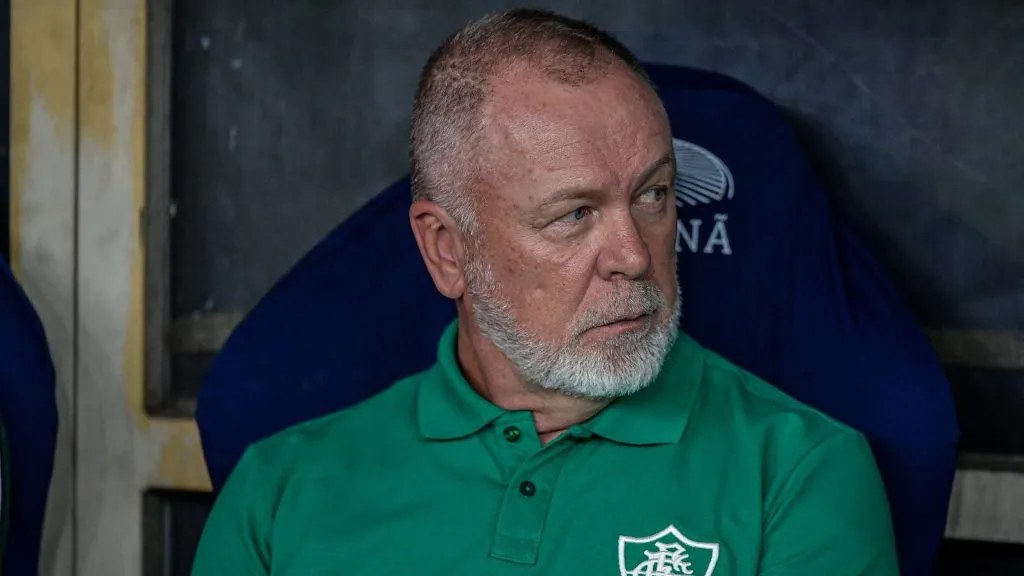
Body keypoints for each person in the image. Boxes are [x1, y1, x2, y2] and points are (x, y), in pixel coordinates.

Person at [192, 9, 898, 575]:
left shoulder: (798, 475)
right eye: (575, 214)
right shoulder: (278, 494)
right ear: (448, 250)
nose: (634, 256)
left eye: (654, 194)